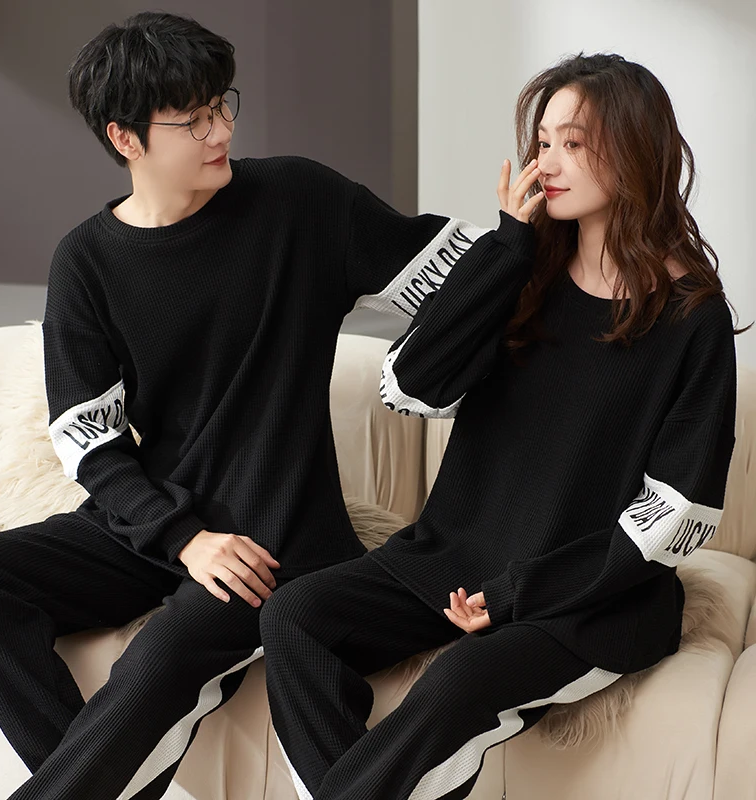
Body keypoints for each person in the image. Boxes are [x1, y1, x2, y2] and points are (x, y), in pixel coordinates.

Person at [0, 11, 509, 800]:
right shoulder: (86, 259)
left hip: (275, 536)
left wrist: (525, 240)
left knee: (161, 656)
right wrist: (183, 537)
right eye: (193, 120)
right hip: (161, 526)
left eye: (222, 105)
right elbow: (89, 440)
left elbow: (452, 270)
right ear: (125, 138)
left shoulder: (298, 202)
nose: (220, 131)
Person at [259, 52, 748, 800]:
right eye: (542, 142)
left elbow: (674, 514)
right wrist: (506, 249)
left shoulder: (691, 317)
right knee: (294, 616)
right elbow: (413, 383)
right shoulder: (521, 270)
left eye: (573, 143)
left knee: (460, 680)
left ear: (634, 149)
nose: (546, 163)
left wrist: (521, 593)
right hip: (456, 558)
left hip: (593, 598)